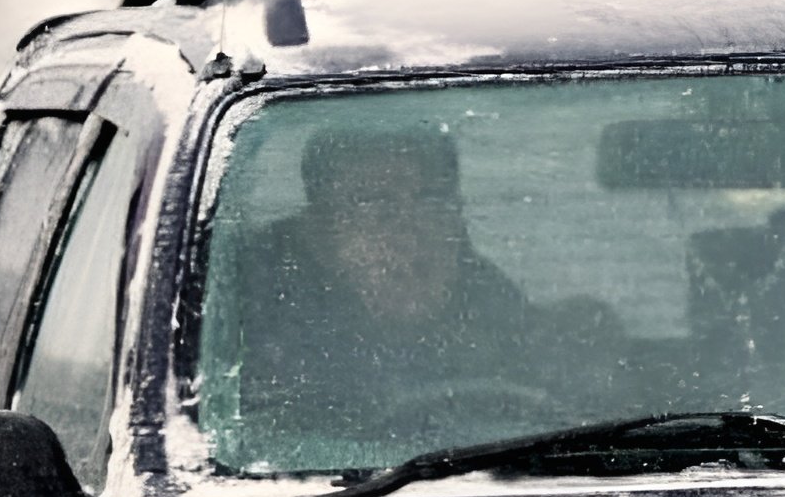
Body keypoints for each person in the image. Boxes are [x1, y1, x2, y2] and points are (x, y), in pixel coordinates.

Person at [224, 121, 620, 469]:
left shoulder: (482, 292)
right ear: (319, 228)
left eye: (431, 200)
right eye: (374, 205)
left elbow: (544, 404)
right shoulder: (257, 313)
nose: (410, 231)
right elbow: (261, 449)